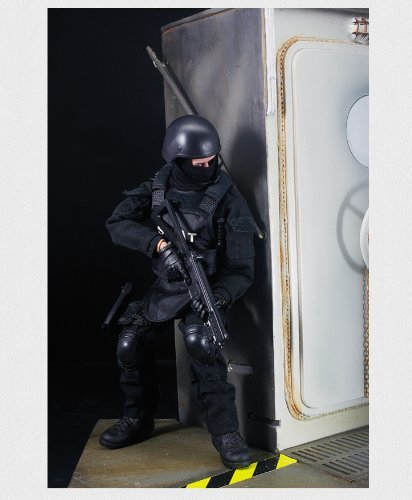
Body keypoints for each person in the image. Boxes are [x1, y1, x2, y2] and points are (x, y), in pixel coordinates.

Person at [99, 115, 258, 469]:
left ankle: (226, 433)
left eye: (212, 160)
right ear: (178, 159)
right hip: (167, 288)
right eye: (198, 163)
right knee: (129, 343)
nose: (207, 167)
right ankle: (137, 419)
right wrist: (157, 245)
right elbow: (117, 223)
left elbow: (242, 270)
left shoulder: (229, 200)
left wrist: (221, 296)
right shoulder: (160, 187)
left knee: (202, 344)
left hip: (208, 290)